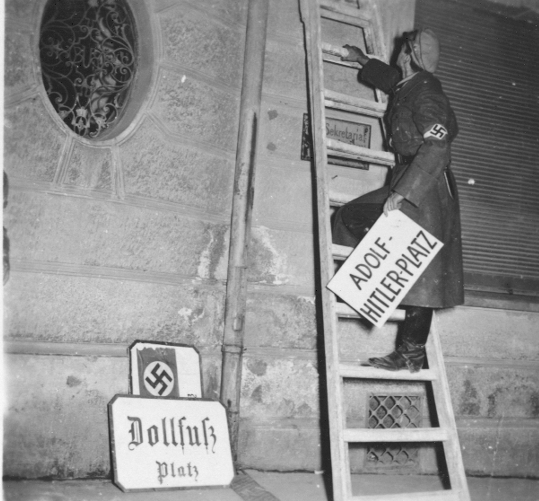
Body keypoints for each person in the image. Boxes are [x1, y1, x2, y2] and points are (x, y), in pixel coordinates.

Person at [333, 29, 463, 372]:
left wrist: (403, 193)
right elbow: (394, 81)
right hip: (408, 176)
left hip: (427, 184)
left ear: (407, 53)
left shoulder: (427, 92)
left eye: (400, 51)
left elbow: (438, 145)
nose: (396, 57)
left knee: (422, 270)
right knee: (347, 217)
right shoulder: (410, 83)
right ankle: (369, 290)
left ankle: (410, 353)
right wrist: (361, 59)